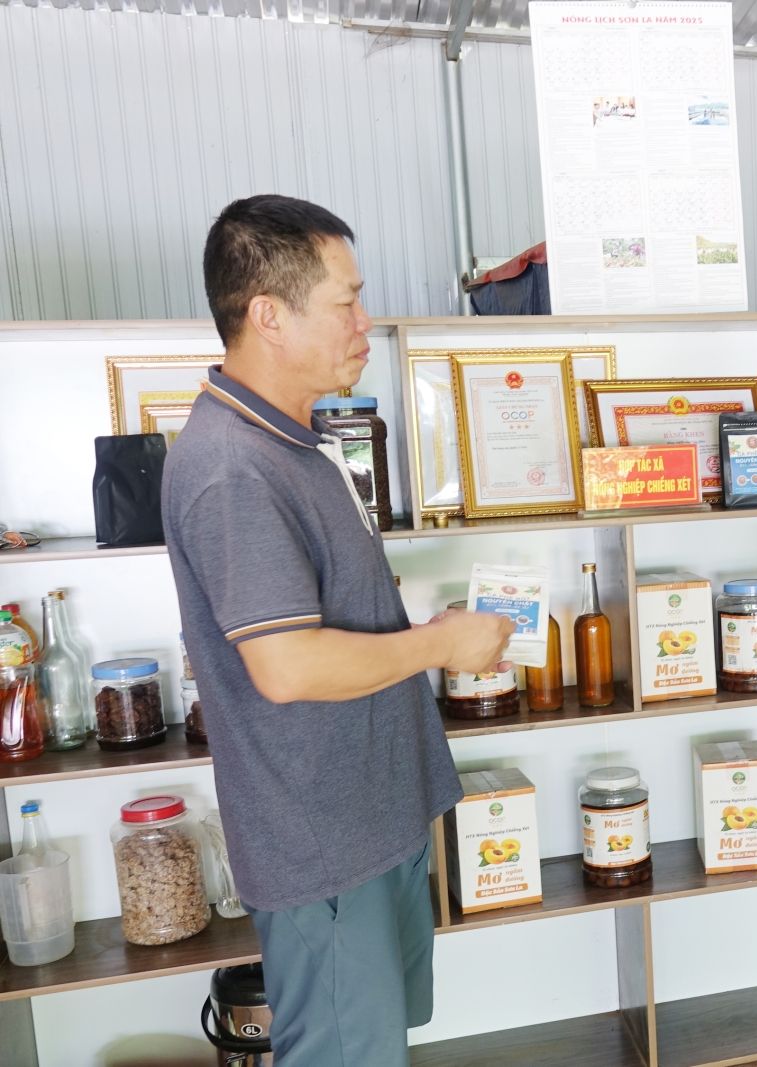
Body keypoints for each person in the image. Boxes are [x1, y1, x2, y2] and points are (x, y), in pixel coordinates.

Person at [162, 195, 513, 1064]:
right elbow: (285, 666)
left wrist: (423, 629)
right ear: (269, 316)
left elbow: (328, 621)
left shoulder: (292, 442)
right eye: (346, 302)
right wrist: (443, 645)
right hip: (323, 849)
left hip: (370, 820)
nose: (365, 322)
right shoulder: (233, 468)